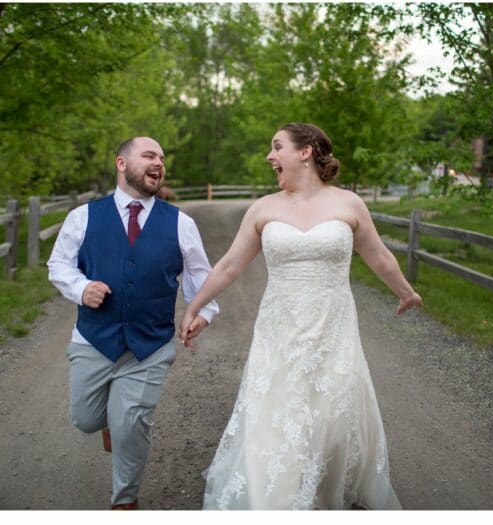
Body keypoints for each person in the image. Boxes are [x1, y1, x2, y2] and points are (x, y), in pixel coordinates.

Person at [179, 123, 422, 510]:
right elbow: (228, 266)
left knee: (330, 412)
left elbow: (377, 254)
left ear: (305, 152)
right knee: (276, 410)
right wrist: (193, 305)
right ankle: (274, 494)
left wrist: (405, 292)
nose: (269, 156)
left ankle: (325, 485)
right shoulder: (264, 208)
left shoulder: (348, 204)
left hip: (333, 326)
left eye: (277, 147)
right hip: (280, 330)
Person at [48, 136, 219, 509]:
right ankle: (108, 420)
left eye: (161, 157)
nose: (158, 162)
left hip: (150, 346)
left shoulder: (181, 224)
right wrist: (81, 287)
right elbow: (58, 264)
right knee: (85, 419)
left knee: (130, 424)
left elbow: (201, 279)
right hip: (93, 339)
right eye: (148, 155)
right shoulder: (83, 217)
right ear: (122, 164)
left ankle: (125, 501)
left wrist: (202, 313)